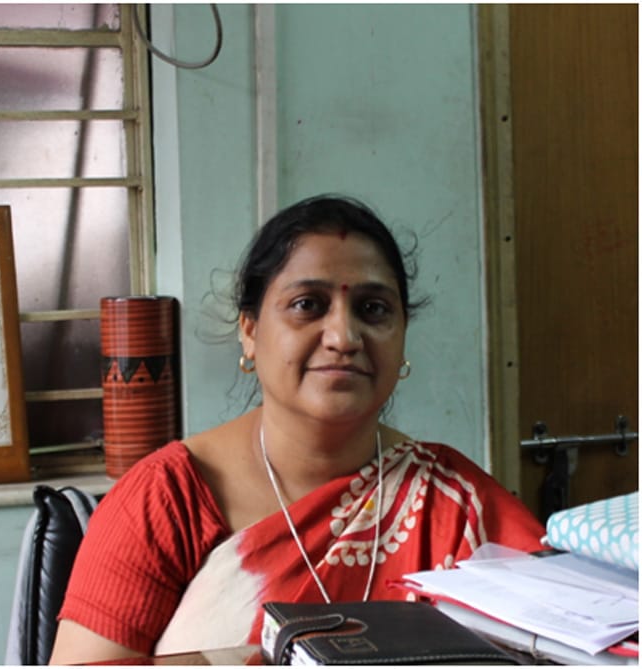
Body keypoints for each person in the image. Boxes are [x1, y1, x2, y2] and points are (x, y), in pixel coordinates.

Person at [49, 194, 545, 664]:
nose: (344, 337)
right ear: (249, 330)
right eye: (308, 304)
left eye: (373, 310)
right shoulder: (166, 501)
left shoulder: (453, 503)